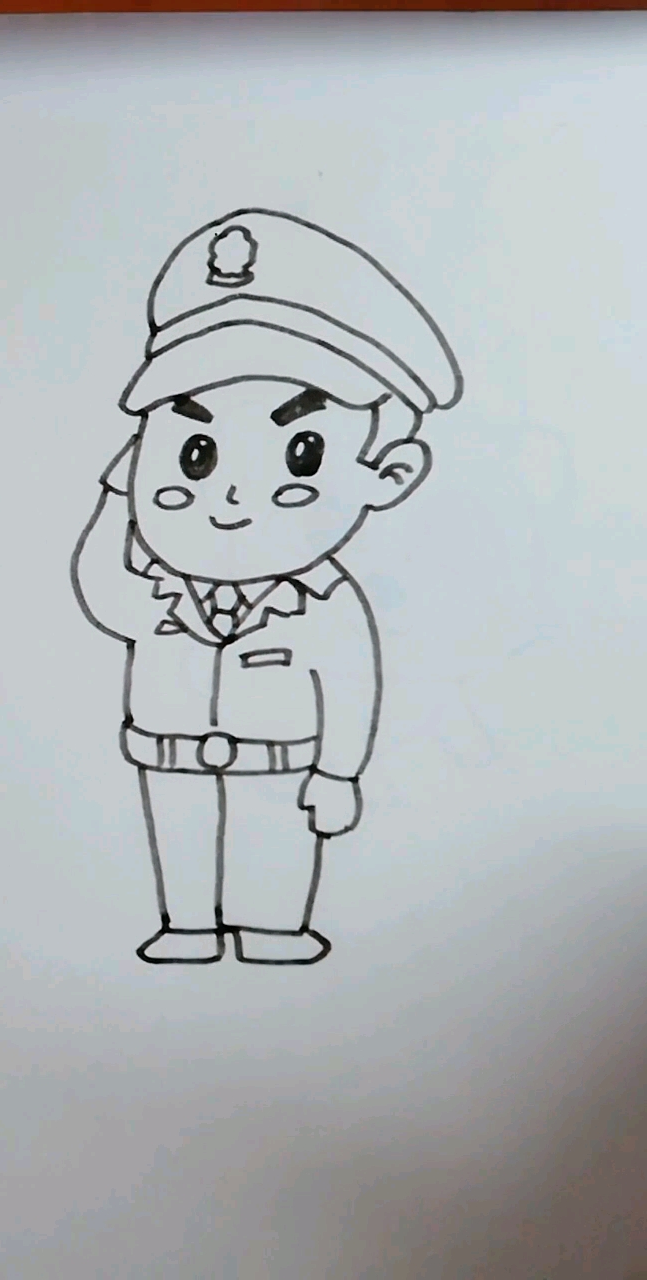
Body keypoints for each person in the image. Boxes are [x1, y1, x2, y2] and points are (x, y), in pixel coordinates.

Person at [71, 208, 463, 966]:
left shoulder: (325, 602)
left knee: (277, 847)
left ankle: (275, 929)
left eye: (300, 451)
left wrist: (339, 772)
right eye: (195, 451)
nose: (230, 495)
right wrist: (116, 498)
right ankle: (187, 925)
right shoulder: (149, 589)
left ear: (389, 476)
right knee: (180, 841)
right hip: (170, 758)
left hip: (281, 763)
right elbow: (105, 592)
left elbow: (350, 682)